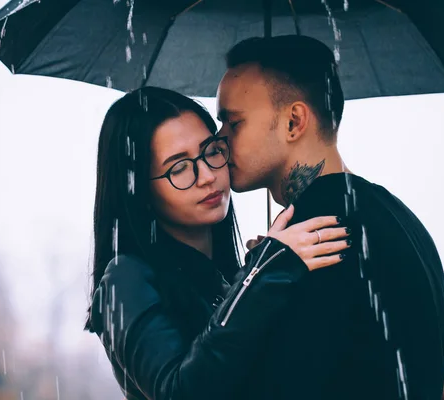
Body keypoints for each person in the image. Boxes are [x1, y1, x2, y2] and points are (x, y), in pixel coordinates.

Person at [216, 35, 444, 399]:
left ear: (294, 121)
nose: (219, 139)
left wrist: (256, 286)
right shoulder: (400, 218)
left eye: (234, 123)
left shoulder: (313, 244)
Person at [85, 86, 352, 399]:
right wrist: (260, 280)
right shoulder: (125, 279)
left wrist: (260, 277)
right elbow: (180, 393)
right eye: (179, 168)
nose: (207, 176)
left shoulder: (224, 278)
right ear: (139, 191)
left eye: (211, 151)